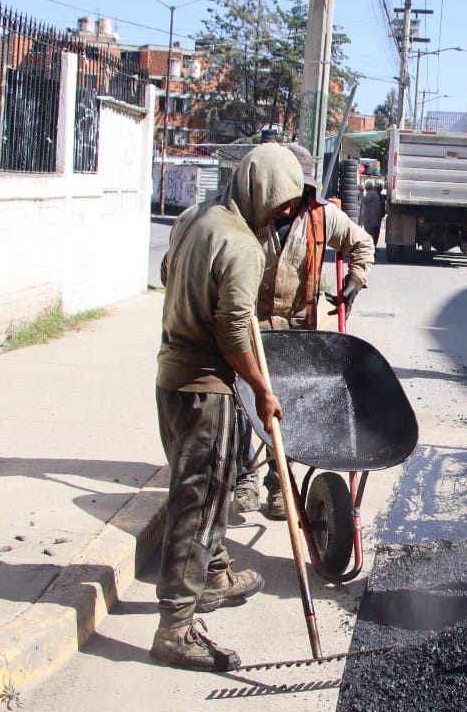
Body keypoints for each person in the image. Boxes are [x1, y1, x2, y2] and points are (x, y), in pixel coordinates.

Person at [153, 144, 305, 670]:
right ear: (261, 188)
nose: (286, 212)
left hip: (171, 376)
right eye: (282, 200)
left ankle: (214, 571)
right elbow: (234, 329)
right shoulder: (242, 246)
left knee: (207, 492)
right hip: (204, 387)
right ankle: (176, 626)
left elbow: (168, 272)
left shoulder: (197, 219)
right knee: (198, 500)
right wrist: (263, 389)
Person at [232, 143, 376, 515]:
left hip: (297, 331)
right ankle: (244, 479)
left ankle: (281, 483)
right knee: (247, 407)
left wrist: (355, 281)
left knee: (290, 409)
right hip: (251, 326)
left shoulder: (322, 216)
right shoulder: (246, 215)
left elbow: (362, 242)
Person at [359, 180, 385, 248]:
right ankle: (373, 249)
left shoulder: (371, 194)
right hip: (376, 221)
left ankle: (371, 250)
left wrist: (361, 192)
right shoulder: (378, 195)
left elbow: (364, 201)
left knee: (369, 237)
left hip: (370, 222)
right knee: (375, 236)